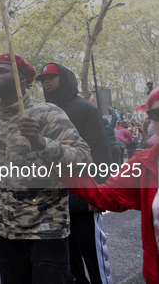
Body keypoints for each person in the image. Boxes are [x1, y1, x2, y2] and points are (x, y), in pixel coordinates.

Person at [0, 53, 91, 284]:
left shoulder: (48, 113)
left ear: (22, 79)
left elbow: (84, 159)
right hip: (7, 230)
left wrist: (43, 142)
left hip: (46, 229)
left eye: (3, 71)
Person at [60, 87, 159, 282]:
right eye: (157, 113)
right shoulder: (143, 163)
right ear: (152, 119)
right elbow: (108, 195)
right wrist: (64, 166)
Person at [37, 63, 114, 284]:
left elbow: (101, 149)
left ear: (66, 79)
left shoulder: (85, 108)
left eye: (51, 77)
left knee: (94, 255)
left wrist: (99, 192)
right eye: (43, 80)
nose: (46, 83)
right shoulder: (44, 112)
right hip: (55, 196)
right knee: (68, 259)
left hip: (84, 194)